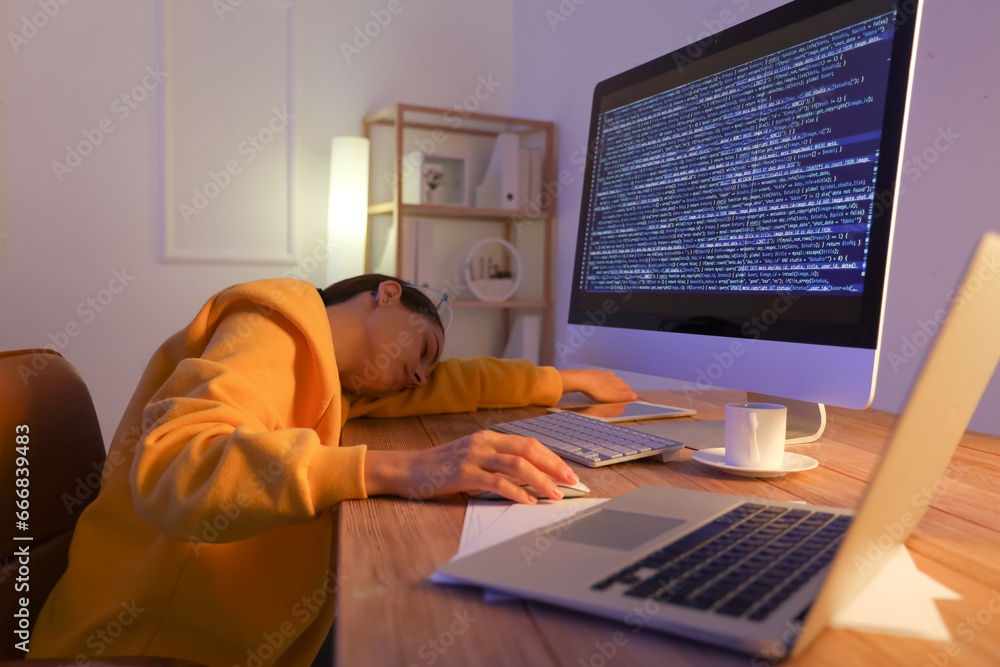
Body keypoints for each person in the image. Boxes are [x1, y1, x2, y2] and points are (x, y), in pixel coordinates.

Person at [31, 274, 635, 667]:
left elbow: (454, 381)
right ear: (388, 294)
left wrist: (562, 380)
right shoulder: (276, 322)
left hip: (233, 635)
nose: (421, 373)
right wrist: (398, 468)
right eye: (421, 349)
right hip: (145, 645)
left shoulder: (342, 387)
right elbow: (176, 469)